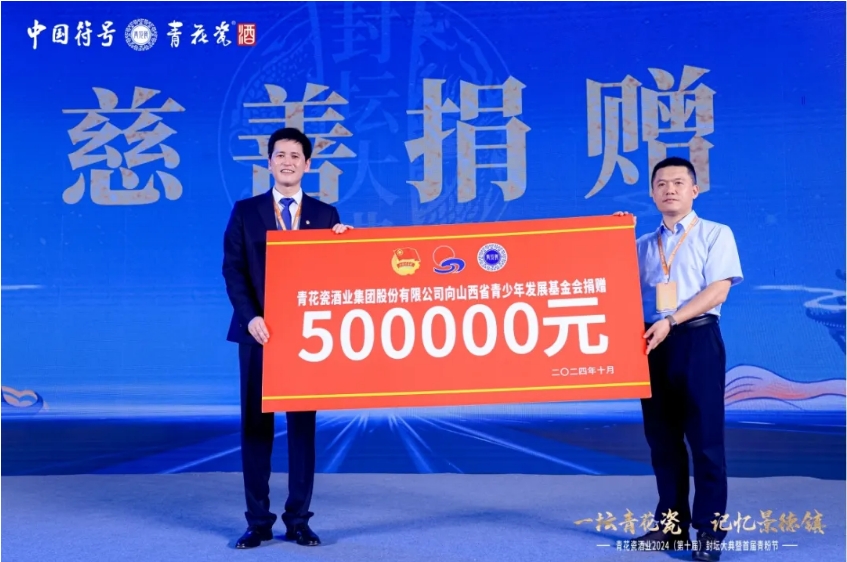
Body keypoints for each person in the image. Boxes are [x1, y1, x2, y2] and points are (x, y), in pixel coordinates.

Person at [222, 127, 353, 549]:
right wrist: (251, 318)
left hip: (305, 340)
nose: (288, 162)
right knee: (255, 428)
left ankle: (298, 520)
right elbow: (233, 270)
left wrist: (345, 246)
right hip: (258, 335)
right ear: (269, 162)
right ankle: (257, 522)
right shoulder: (246, 211)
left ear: (307, 165)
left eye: (296, 156)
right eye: (280, 155)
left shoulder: (326, 215)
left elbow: (336, 278)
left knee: (301, 428)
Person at [617, 156, 743, 562]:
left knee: (706, 443)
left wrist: (672, 320)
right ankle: (671, 529)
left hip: (697, 340)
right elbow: (611, 285)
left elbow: (719, 290)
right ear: (652, 194)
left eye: (677, 183)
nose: (669, 190)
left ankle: (709, 532)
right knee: (663, 443)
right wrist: (613, 238)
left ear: (694, 190)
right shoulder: (640, 245)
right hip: (651, 346)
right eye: (661, 184)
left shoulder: (715, 233)